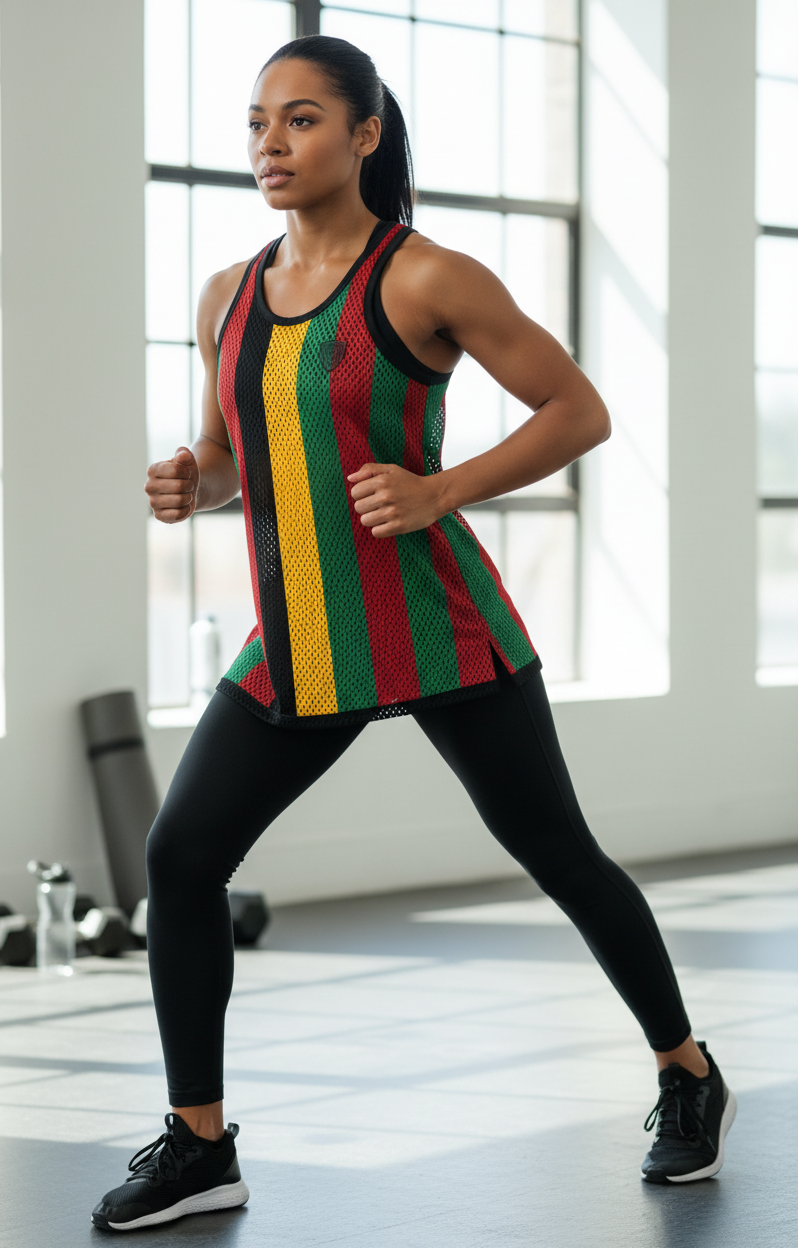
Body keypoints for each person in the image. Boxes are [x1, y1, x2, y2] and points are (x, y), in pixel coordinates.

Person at [91, 34, 735, 1233]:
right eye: (255, 124)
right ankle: (199, 1145)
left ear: (364, 136)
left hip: (439, 627)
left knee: (560, 856)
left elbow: (578, 410)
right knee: (180, 862)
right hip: (298, 638)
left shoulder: (427, 276)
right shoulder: (226, 294)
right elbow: (235, 458)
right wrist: (196, 479)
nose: (269, 147)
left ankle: (686, 1075)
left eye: (299, 121)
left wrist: (443, 489)